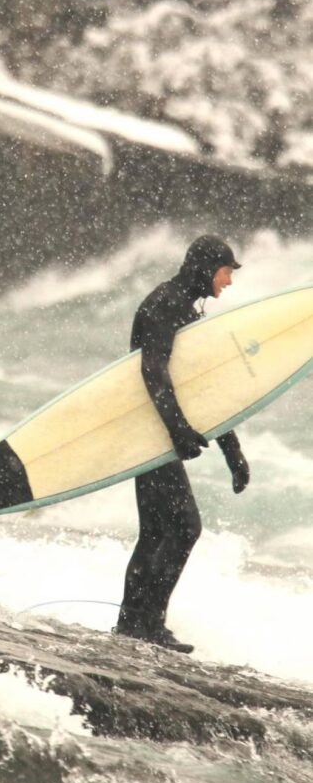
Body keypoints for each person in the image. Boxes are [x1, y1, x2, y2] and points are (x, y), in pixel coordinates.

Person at [115, 235, 250, 654]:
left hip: (155, 432)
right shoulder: (164, 305)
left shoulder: (185, 308)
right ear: (206, 268)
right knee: (184, 527)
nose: (228, 281)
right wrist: (176, 430)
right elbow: (152, 373)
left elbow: (201, 389)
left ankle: (131, 624)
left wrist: (233, 452)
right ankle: (147, 624)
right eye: (226, 271)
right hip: (148, 434)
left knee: (157, 530)